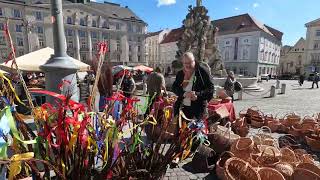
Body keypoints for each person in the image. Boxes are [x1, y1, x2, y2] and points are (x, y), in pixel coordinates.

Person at [172, 52, 215, 119]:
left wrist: (198, 95)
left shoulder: (203, 72)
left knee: (196, 129)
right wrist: (184, 93)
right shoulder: (180, 73)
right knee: (181, 129)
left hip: (198, 110)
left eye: (190, 62)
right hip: (182, 108)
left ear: (194, 61)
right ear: (183, 63)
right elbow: (174, 87)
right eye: (186, 63)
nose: (188, 65)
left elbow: (211, 89)